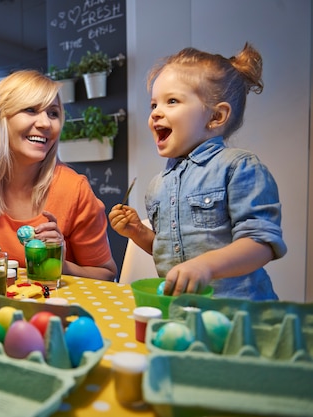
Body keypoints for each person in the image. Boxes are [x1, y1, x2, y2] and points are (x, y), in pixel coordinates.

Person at [108, 43, 286, 299]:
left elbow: (262, 244)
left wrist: (206, 265)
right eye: (153, 105)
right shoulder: (157, 185)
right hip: (183, 312)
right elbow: (169, 251)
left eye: (171, 101)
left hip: (238, 314)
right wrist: (138, 233)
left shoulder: (238, 167)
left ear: (215, 116)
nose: (156, 113)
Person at [0, 70, 117, 281]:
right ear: (0, 118)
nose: (46, 123)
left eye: (53, 113)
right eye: (30, 110)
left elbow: (106, 275)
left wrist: (58, 262)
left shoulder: (74, 189)